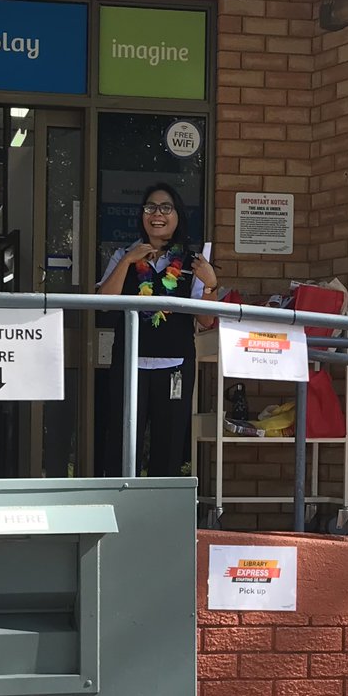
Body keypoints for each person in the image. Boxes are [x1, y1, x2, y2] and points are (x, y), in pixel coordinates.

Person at [95, 181, 216, 476]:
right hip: (130, 363)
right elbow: (103, 303)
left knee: (169, 443)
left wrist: (211, 284)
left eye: (165, 207)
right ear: (142, 215)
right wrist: (127, 261)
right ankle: (122, 511)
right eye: (150, 207)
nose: (157, 214)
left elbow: (207, 320)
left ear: (177, 217)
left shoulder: (193, 262)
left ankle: (161, 515)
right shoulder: (124, 254)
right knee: (124, 443)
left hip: (175, 363)